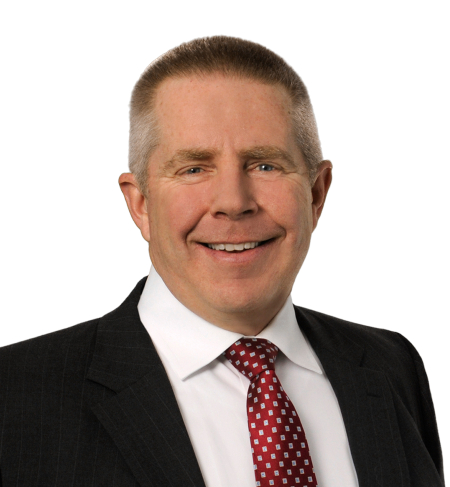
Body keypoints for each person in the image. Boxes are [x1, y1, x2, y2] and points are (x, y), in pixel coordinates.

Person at [0, 36, 444, 487]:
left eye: (265, 165)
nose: (233, 203)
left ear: (316, 194)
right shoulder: (15, 395)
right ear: (140, 204)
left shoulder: (392, 366)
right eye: (194, 168)